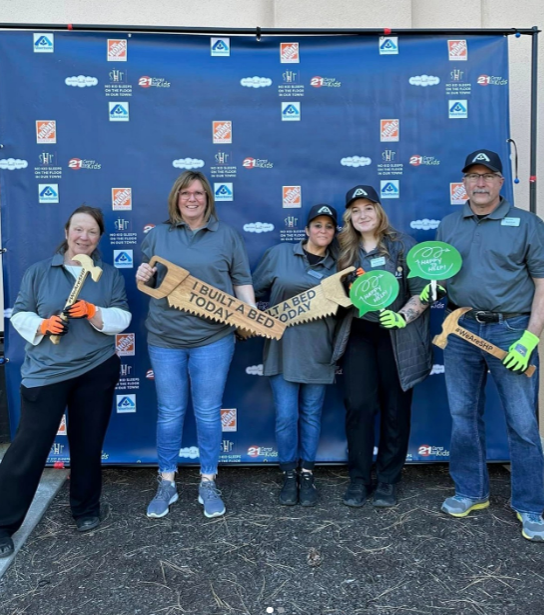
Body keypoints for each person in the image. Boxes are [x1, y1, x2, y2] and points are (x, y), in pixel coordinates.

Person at [0, 205, 131, 559]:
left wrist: (94, 313)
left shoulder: (109, 275)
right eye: (78, 229)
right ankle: (2, 523)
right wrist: (42, 325)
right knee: (29, 447)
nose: (83, 237)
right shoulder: (40, 271)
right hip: (47, 373)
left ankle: (86, 509)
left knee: (88, 444)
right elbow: (20, 312)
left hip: (96, 369)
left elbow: (123, 316)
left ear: (99, 237)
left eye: (91, 232)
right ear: (67, 232)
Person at [435, 149, 544, 541]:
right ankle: (471, 491)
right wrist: (430, 290)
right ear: (463, 183)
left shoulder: (528, 224)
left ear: (501, 182)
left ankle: (531, 506)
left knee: (523, 423)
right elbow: (439, 280)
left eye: (488, 176)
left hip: (511, 332)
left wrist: (530, 338)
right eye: (473, 176)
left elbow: (542, 286)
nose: (480, 183)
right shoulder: (449, 225)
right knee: (463, 416)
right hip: (462, 331)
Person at [136, 170, 255, 520]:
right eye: (186, 192)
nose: (192, 198)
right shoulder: (157, 235)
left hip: (213, 340)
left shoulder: (227, 235)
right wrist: (143, 276)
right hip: (165, 339)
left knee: (207, 412)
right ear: (176, 197)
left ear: (208, 199)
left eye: (199, 193)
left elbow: (242, 280)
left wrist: (250, 316)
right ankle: (167, 481)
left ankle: (207, 481)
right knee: (170, 413)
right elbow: (148, 274)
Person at [332, 185, 432, 508]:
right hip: (359, 334)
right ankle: (359, 479)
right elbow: (329, 293)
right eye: (355, 210)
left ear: (379, 211)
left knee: (396, 408)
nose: (362, 215)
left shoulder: (403, 245)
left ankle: (388, 479)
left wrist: (403, 316)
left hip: (396, 337)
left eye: (368, 208)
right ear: (349, 217)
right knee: (359, 405)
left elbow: (422, 292)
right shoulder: (343, 250)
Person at [252, 204, 340, 507]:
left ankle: (307, 473)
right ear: (306, 229)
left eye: (329, 226)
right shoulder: (279, 255)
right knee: (287, 417)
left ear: (334, 232)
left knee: (311, 415)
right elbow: (253, 292)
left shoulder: (339, 265)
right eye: (317, 225)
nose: (323, 231)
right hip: (282, 348)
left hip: (319, 350)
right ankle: (288, 473)